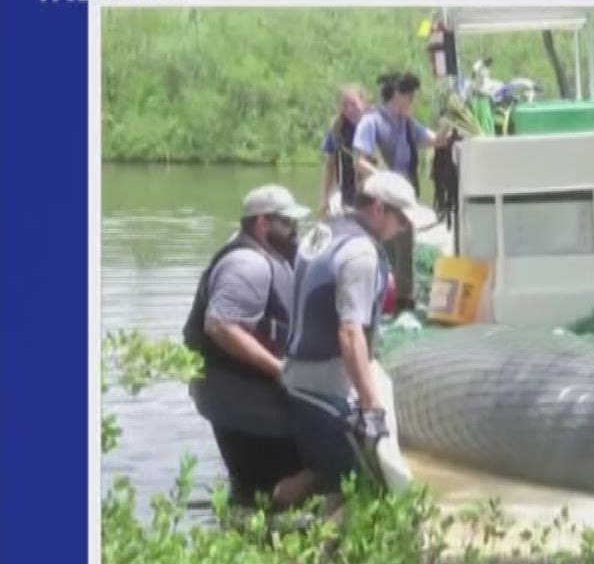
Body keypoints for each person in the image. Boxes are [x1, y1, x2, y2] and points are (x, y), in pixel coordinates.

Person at [281, 171, 438, 506]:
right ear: (379, 209)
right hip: (327, 389)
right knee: (360, 489)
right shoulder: (361, 254)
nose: (403, 230)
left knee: (323, 475)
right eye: (401, 220)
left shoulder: (324, 230)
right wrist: (371, 406)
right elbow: (350, 333)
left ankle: (268, 521)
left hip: (298, 379)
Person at [182, 185, 314, 510]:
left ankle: (249, 533)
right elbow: (220, 325)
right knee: (269, 490)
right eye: (287, 223)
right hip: (237, 395)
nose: (295, 231)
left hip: (239, 391)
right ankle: (260, 543)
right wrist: (280, 370)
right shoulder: (248, 263)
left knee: (252, 489)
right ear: (261, 224)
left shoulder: (270, 252)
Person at [351, 72, 442, 310]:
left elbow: (433, 140)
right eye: (410, 95)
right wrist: (385, 179)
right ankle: (385, 300)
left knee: (405, 251)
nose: (412, 100)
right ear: (398, 95)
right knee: (385, 251)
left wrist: (449, 128)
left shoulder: (407, 123)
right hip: (380, 199)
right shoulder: (371, 122)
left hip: (403, 197)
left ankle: (404, 301)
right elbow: (359, 161)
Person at [318, 84, 367, 215]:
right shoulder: (337, 129)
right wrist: (324, 198)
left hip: (376, 193)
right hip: (349, 195)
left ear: (364, 102)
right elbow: (330, 166)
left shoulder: (376, 124)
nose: (349, 109)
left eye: (353, 104)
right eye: (345, 105)